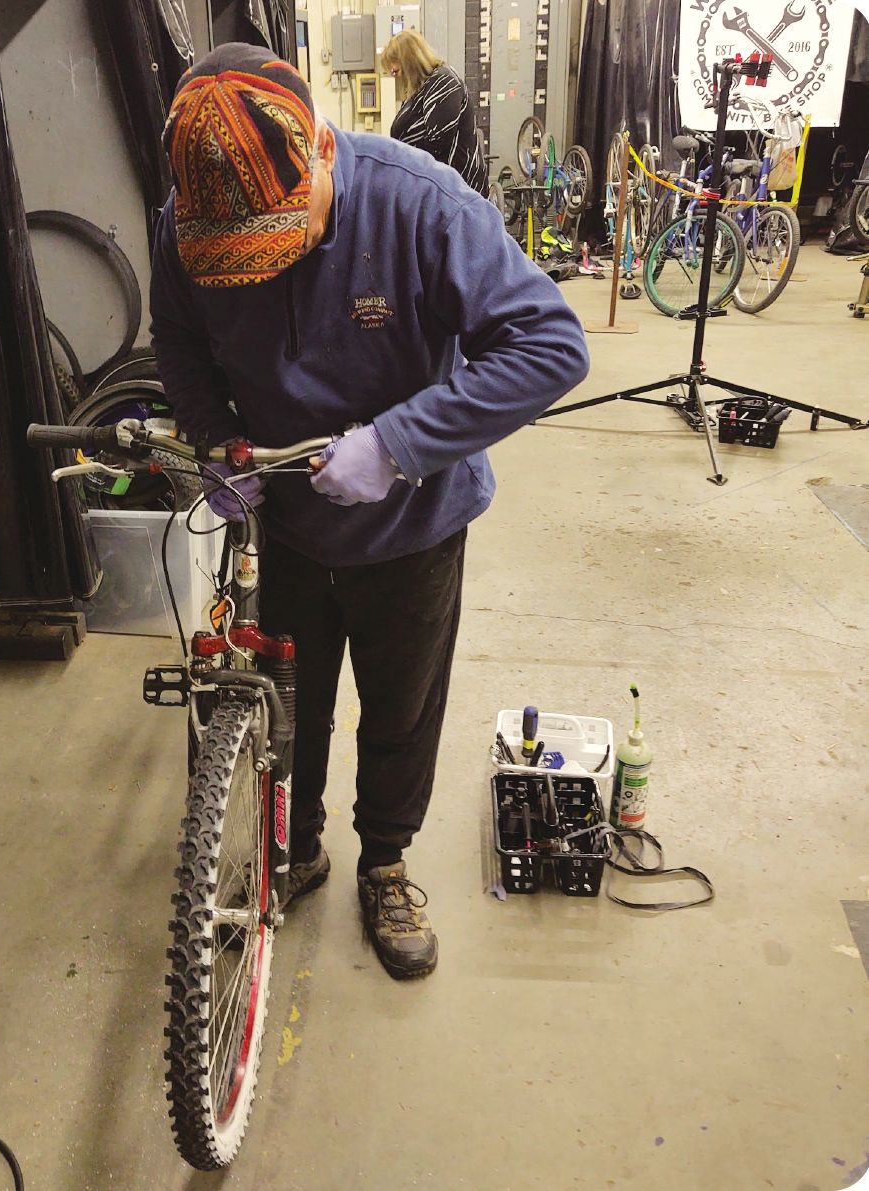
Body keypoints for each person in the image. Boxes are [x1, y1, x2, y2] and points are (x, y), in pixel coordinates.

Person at [150, 44, 589, 980]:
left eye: (284, 238)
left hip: (410, 523)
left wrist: (397, 444)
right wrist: (214, 438)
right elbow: (182, 346)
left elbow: (550, 345)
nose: (262, 271)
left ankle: (384, 859)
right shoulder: (190, 221)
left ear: (318, 148)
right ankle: (295, 845)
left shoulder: (422, 205)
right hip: (285, 516)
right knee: (289, 705)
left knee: (399, 704)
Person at [381, 29, 487, 195]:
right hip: (432, 187)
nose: (395, 77)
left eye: (396, 71)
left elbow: (437, 145)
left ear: (410, 61)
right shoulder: (418, 90)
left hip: (453, 191)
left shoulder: (443, 82)